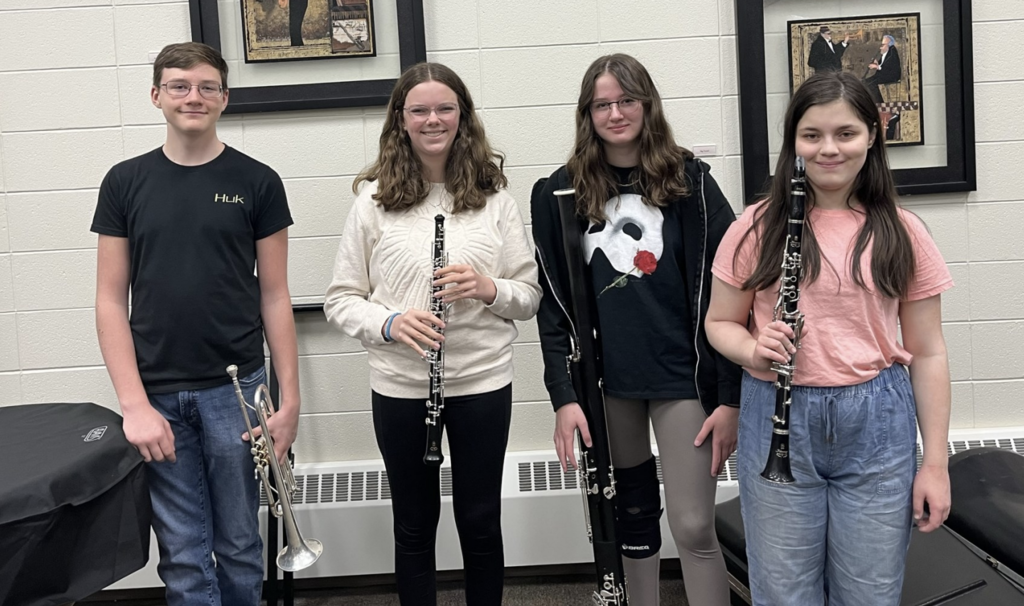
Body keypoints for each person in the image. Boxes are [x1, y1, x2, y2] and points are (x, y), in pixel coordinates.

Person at [705, 70, 952, 606]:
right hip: (776, 409)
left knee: (870, 592)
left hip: (878, 419)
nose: (828, 149)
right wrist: (753, 348)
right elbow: (718, 323)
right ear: (793, 141)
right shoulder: (756, 225)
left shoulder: (902, 230)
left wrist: (935, 463)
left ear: (872, 136)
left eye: (846, 133)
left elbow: (929, 351)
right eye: (812, 135)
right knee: (783, 591)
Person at [324, 62, 541, 606]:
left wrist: (488, 288)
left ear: (462, 115)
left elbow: (530, 296)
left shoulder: (496, 201)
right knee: (414, 526)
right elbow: (340, 300)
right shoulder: (373, 201)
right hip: (400, 386)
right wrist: (391, 322)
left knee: (480, 521)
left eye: (444, 107)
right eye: (419, 109)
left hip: (482, 383)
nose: (432, 119)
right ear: (401, 119)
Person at [92, 42, 300, 606]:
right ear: (156, 95)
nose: (194, 96)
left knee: (237, 545)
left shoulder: (258, 181)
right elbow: (110, 301)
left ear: (225, 98)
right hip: (156, 398)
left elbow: (275, 295)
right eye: (180, 85)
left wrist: (290, 402)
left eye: (208, 86)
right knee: (182, 554)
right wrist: (133, 406)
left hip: (236, 393)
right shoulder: (124, 182)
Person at [531, 53, 741, 606]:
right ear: (587, 113)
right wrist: (562, 396)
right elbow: (552, 308)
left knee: (693, 526)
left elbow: (735, 286)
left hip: (683, 376)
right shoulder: (558, 192)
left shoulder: (690, 181)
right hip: (608, 384)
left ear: (646, 104)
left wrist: (731, 397)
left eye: (626, 100)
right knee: (633, 522)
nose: (616, 113)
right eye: (602, 104)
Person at [864, 34, 903, 104]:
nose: (881, 47)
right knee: (865, 82)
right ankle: (872, 101)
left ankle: (880, 103)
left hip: (891, 76)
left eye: (883, 45)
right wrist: (877, 64)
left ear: (889, 45)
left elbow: (888, 66)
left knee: (871, 84)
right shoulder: (887, 52)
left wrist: (877, 67)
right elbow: (883, 64)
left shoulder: (892, 52)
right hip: (883, 74)